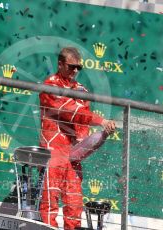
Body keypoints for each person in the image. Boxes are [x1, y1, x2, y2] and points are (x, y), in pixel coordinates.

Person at [39, 47, 116, 229]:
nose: (75, 71)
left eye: (78, 68)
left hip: (73, 155)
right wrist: (101, 121)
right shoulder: (50, 85)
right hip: (54, 152)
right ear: (60, 64)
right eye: (71, 66)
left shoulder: (82, 90)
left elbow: (82, 125)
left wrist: (98, 137)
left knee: (74, 205)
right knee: (49, 201)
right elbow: (69, 111)